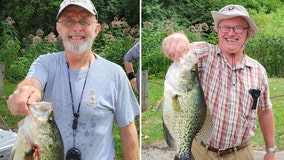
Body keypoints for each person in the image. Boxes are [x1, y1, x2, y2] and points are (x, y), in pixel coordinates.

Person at [7, 0, 140, 159]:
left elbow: (128, 132)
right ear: (59, 28)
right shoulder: (45, 63)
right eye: (69, 21)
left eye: (84, 21)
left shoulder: (115, 74)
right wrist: (26, 91)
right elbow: (32, 82)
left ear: (96, 29)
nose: (77, 28)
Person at [161, 4, 276, 160]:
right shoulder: (204, 53)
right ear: (218, 30)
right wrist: (178, 40)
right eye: (225, 27)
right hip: (200, 151)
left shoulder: (258, 71)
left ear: (248, 33)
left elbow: (265, 110)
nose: (230, 33)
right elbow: (186, 51)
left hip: (241, 153)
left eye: (238, 28)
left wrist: (270, 150)